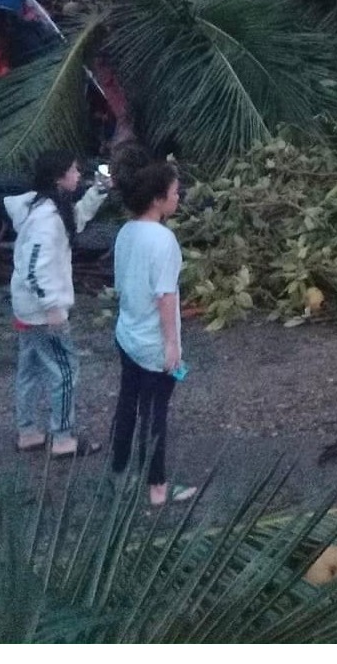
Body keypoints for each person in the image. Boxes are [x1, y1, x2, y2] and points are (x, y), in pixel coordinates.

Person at [3, 152, 111, 456]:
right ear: (58, 178)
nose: (78, 175)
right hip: (42, 313)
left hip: (27, 308)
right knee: (64, 370)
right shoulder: (45, 221)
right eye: (73, 171)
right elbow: (35, 267)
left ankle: (28, 432)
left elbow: (73, 221)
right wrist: (52, 307)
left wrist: (98, 191)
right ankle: (63, 438)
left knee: (30, 369)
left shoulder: (45, 209)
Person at [109, 160, 196, 506]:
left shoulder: (126, 232)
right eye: (175, 193)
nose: (178, 198)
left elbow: (120, 284)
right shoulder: (163, 240)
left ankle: (120, 472)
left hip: (127, 334)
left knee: (128, 404)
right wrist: (172, 345)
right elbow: (165, 296)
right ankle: (157, 486)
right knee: (155, 412)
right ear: (159, 199)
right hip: (151, 342)